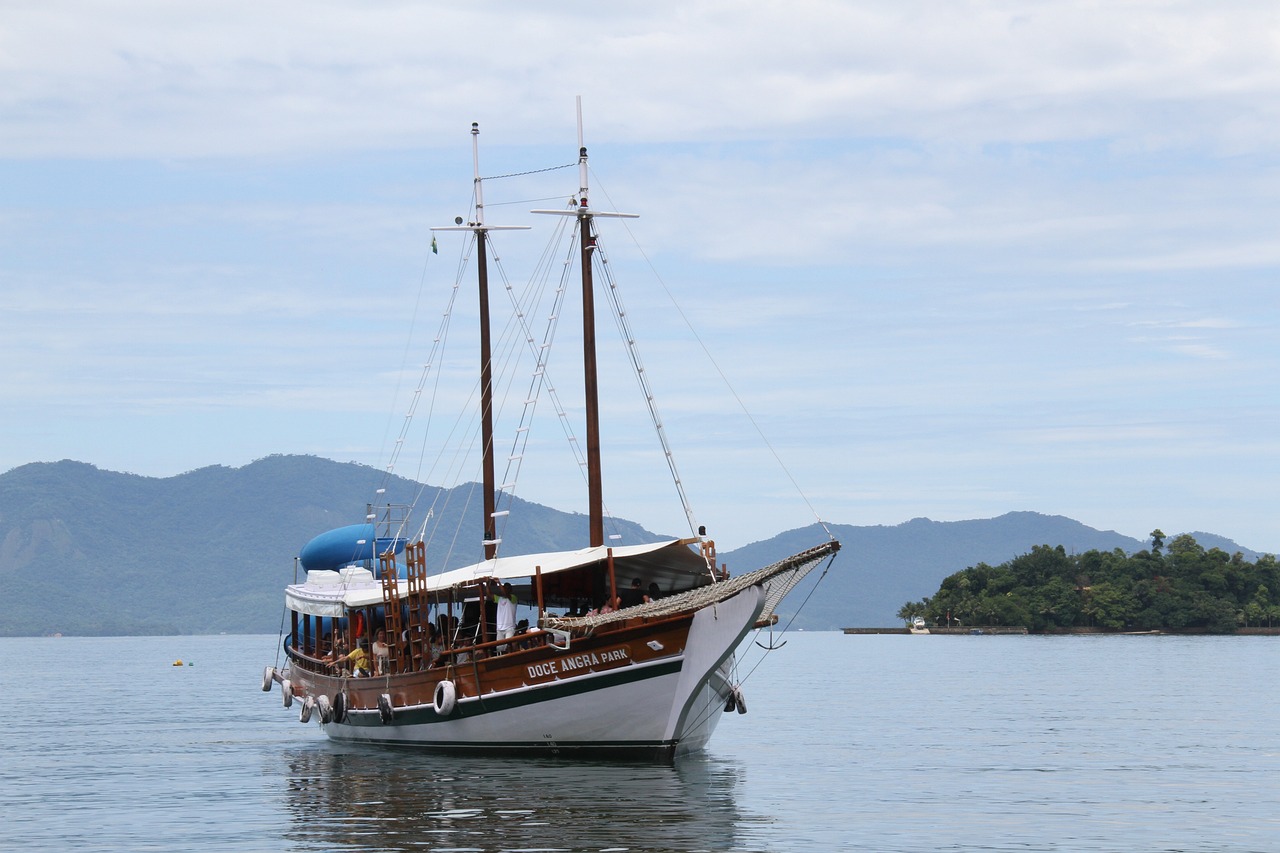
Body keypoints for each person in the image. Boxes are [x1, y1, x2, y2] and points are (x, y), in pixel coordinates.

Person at [492, 582, 518, 652]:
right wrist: (487, 584)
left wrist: (498, 583)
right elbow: (489, 595)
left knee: (508, 646)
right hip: (500, 628)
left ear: (510, 590)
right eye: (505, 588)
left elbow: (505, 593)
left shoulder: (513, 598)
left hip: (509, 627)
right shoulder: (499, 599)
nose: (505, 590)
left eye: (507, 588)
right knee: (500, 648)